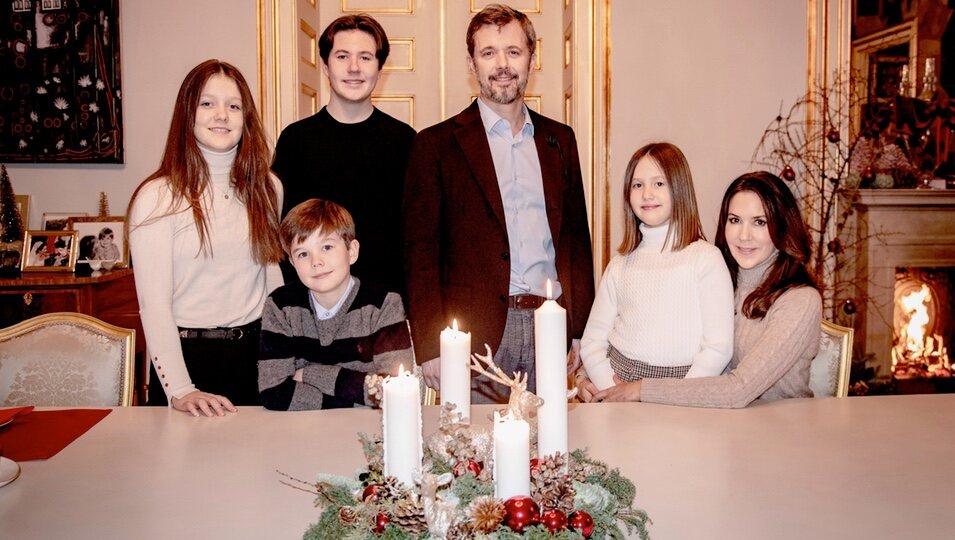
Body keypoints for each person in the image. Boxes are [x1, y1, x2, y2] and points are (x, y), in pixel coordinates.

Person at [403, 4, 595, 403]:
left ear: (531, 59)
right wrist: (429, 345)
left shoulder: (560, 140)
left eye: (513, 51)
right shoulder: (435, 145)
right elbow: (420, 253)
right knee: (472, 456)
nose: (502, 64)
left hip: (550, 325)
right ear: (472, 63)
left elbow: (576, 241)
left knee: (550, 453)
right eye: (488, 53)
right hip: (474, 337)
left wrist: (580, 330)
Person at [127, 59, 284, 417]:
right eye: (207, 103)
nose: (222, 115)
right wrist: (181, 389)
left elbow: (269, 276)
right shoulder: (156, 198)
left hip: (256, 357)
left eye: (233, 105)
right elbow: (155, 305)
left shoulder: (268, 189)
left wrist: (286, 352)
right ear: (188, 113)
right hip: (187, 361)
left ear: (246, 117)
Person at [589, 171, 822, 408]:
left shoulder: (800, 300)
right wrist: (588, 378)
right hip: (716, 421)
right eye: (735, 220)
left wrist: (640, 389)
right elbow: (648, 335)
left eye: (759, 222)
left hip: (779, 429)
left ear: (783, 227)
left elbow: (738, 390)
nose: (744, 235)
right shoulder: (720, 279)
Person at [272, 14, 415, 298]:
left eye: (365, 57)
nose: (353, 68)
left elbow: (416, 238)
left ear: (379, 67)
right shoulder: (296, 140)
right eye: (342, 56)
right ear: (325, 65)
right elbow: (282, 235)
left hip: (387, 308)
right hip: (313, 306)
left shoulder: (406, 141)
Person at [576, 143, 734, 396]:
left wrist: (676, 396)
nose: (647, 194)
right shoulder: (620, 264)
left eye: (658, 183)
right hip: (619, 377)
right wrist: (609, 387)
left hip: (683, 384)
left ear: (680, 188)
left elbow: (719, 347)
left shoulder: (706, 259)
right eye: (638, 185)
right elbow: (593, 340)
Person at [258, 199, 414, 410]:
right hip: (304, 430)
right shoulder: (281, 306)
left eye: (327, 247)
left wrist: (313, 374)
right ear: (293, 263)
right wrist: (354, 396)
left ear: (352, 251)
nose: (316, 262)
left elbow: (395, 390)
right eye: (303, 253)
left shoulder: (383, 304)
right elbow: (273, 392)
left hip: (368, 431)